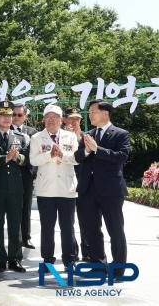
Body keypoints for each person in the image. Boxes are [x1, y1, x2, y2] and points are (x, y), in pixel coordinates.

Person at [75, 99, 130, 276]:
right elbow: (78, 157)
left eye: (93, 111)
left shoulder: (121, 134)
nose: (90, 115)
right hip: (88, 190)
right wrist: (87, 150)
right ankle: (98, 263)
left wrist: (97, 149)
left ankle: (119, 267)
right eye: (89, 112)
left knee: (115, 229)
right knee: (91, 229)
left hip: (111, 190)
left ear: (105, 113)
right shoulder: (88, 134)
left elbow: (121, 156)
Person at [30, 104, 79, 270]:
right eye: (48, 117)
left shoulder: (70, 136)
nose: (51, 120)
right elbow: (33, 160)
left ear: (61, 119)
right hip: (46, 189)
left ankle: (69, 260)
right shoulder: (37, 137)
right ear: (44, 120)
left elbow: (77, 158)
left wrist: (62, 155)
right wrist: (49, 155)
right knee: (47, 227)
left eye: (55, 117)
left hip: (67, 188)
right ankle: (48, 260)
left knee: (67, 227)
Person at [0, 101, 28, 273]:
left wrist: (17, 157)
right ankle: (0, 260)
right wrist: (6, 158)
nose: (6, 119)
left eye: (9, 115)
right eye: (2, 115)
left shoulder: (20, 137)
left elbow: (27, 161)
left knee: (15, 225)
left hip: (15, 188)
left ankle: (15, 259)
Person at [64, 107, 90, 261]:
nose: (74, 121)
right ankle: (72, 252)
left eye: (77, 119)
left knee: (86, 219)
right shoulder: (59, 136)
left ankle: (87, 251)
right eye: (71, 118)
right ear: (65, 120)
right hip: (65, 182)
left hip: (83, 183)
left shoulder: (87, 137)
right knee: (68, 221)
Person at [11, 104, 38, 249]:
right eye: (14, 114)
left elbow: (36, 154)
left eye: (20, 115)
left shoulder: (33, 132)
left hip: (26, 175)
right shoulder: (5, 130)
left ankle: (26, 237)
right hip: (8, 175)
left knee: (25, 207)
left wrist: (32, 173)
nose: (16, 117)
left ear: (25, 117)